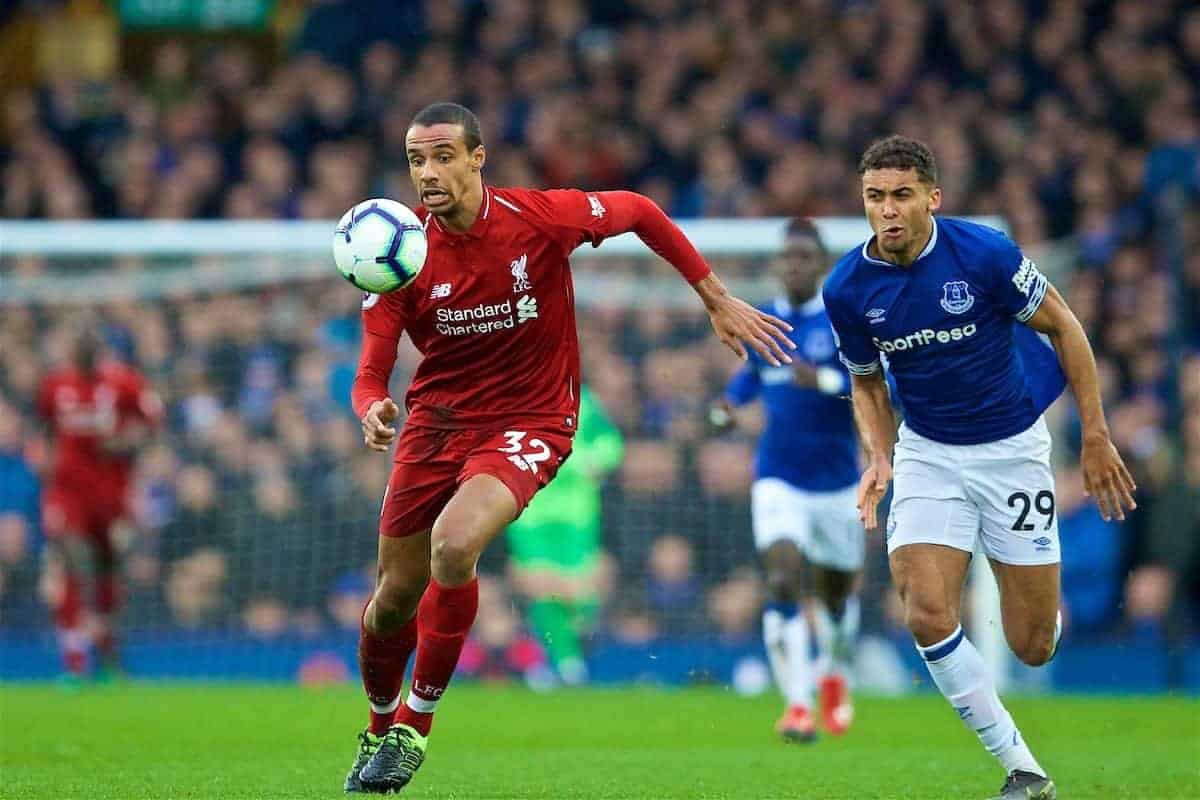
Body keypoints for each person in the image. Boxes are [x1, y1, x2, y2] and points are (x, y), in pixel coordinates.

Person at [345, 102, 795, 794]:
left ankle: (414, 726)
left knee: (455, 546)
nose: (427, 173)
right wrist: (372, 405)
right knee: (391, 600)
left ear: (477, 157)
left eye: (441, 155)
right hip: (436, 428)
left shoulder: (539, 219)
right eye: (415, 159)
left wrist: (713, 295)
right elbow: (372, 369)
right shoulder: (399, 252)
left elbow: (641, 210)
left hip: (532, 419)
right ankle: (377, 729)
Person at [822, 135, 1136, 800]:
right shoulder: (847, 287)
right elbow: (867, 383)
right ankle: (1023, 768)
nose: (888, 210)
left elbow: (1066, 327)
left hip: (1013, 453)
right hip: (929, 453)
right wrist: (880, 454)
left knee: (1032, 646)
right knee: (926, 611)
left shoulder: (983, 254)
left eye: (902, 195)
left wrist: (1096, 435)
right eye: (875, 197)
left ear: (932, 198)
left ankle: (1036, 602)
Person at [710, 218, 863, 742]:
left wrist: (819, 379)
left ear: (819, 264)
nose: (795, 265)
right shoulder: (765, 320)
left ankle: (835, 673)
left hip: (840, 481)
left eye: (804, 257)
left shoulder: (843, 320)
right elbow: (752, 373)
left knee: (836, 597)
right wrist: (730, 404)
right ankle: (797, 706)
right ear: (778, 264)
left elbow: (873, 385)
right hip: (778, 475)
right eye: (788, 257)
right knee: (780, 578)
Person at [36, 323, 163, 682]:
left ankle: (106, 650)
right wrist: (43, 460)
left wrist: (126, 442)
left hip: (111, 495)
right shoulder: (55, 386)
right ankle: (75, 662)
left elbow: (152, 422)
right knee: (76, 563)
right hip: (67, 493)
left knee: (107, 575)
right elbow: (43, 429)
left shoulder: (125, 383)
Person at [506, 383, 623, 687]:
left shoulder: (583, 398)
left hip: (576, 515)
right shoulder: (511, 396)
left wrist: (591, 462)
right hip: (530, 512)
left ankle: (563, 659)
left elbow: (611, 443)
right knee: (541, 587)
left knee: (579, 593)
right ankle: (565, 665)